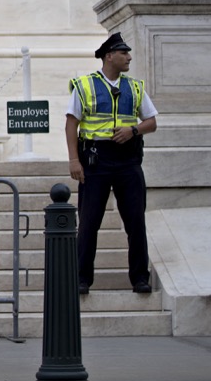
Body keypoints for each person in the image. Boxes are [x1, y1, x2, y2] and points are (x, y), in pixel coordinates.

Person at [66, 33, 158, 295]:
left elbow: (151, 122)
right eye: (123, 53)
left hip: (128, 160)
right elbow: (71, 123)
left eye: (128, 53)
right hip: (96, 159)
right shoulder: (84, 85)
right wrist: (74, 159)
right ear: (109, 56)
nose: (129, 57)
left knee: (135, 221)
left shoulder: (136, 86)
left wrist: (133, 130)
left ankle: (140, 278)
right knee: (89, 221)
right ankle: (82, 279)